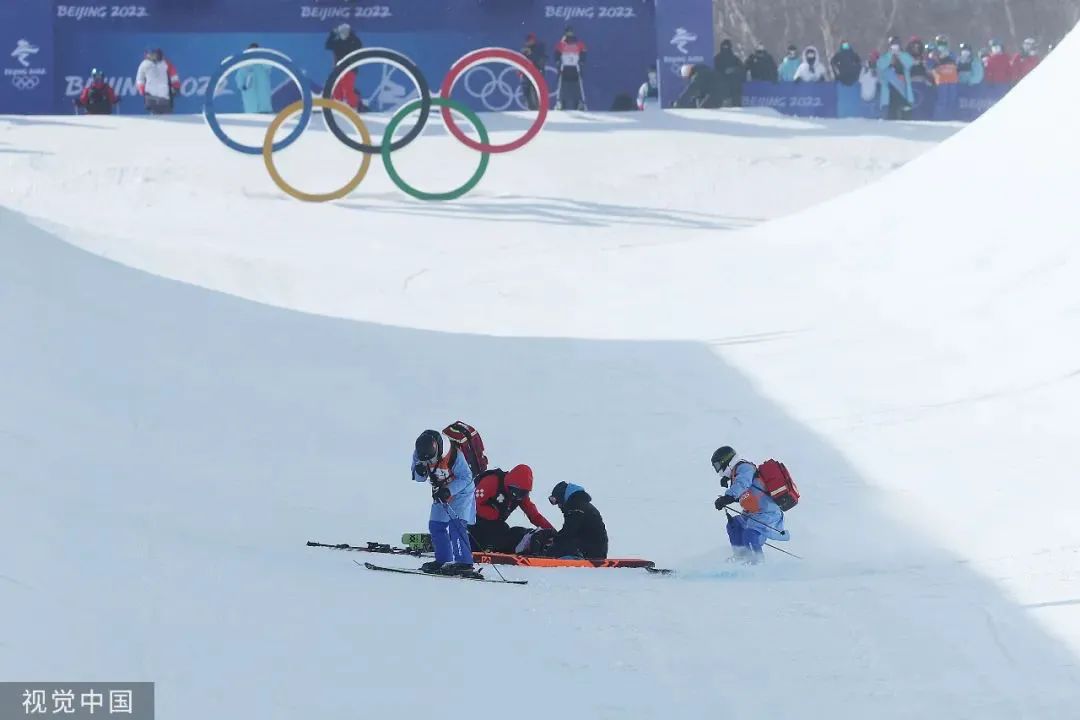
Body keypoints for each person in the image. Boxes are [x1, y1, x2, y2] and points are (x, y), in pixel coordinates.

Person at [411, 429, 478, 577]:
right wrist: (420, 471)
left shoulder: (453, 454)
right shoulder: (418, 454)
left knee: (456, 526)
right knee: (436, 525)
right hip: (440, 491)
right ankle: (443, 560)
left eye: (432, 460)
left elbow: (467, 478)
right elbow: (419, 478)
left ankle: (464, 563)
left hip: (461, 492)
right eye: (426, 461)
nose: (430, 463)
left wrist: (449, 490)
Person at [710, 446, 789, 565]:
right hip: (753, 513)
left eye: (717, 466)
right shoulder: (736, 472)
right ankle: (741, 556)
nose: (718, 470)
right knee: (734, 525)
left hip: (768, 513)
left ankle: (757, 563)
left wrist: (728, 497)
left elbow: (743, 483)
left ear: (725, 460)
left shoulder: (744, 467)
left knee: (750, 533)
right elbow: (747, 493)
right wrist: (728, 483)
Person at [470, 464, 554, 552]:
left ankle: (532, 538)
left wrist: (551, 530)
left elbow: (534, 515)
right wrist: (495, 514)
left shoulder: (520, 495)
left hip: (497, 524)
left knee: (504, 530)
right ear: (512, 486)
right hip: (475, 522)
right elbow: (473, 504)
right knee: (499, 532)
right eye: (518, 493)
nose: (519, 497)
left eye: (524, 493)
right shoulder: (491, 482)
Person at [544, 481, 608, 559]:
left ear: (562, 497)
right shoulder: (578, 504)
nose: (558, 505)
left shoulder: (576, 505)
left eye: (557, 501)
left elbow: (569, 530)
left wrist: (554, 541)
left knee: (555, 549)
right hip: (596, 549)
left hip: (592, 551)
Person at [325, 23, 363, 110]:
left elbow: (359, 45)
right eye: (341, 32)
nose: (343, 34)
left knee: (347, 89)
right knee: (336, 89)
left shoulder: (352, 41)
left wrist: (352, 35)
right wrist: (332, 34)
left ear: (349, 32)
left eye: (346, 32)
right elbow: (328, 45)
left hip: (350, 68)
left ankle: (355, 106)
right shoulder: (337, 42)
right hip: (338, 69)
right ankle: (338, 107)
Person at [877, 37, 915, 120]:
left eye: (896, 44)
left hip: (903, 92)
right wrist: (890, 55)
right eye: (893, 44)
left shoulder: (904, 55)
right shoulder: (885, 57)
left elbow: (910, 63)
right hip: (889, 92)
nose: (895, 46)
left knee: (906, 116)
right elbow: (880, 65)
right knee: (890, 117)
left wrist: (899, 54)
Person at [554, 25, 587, 110]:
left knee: (578, 85)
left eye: (571, 32)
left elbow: (583, 53)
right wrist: (558, 61)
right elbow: (557, 53)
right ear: (565, 33)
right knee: (562, 85)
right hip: (564, 67)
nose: (569, 33)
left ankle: (580, 103)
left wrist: (582, 60)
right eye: (568, 32)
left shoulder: (579, 44)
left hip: (575, 67)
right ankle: (560, 102)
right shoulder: (561, 44)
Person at [235, 43, 272, 114]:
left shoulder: (263, 65)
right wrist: (244, 85)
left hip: (265, 107)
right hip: (251, 107)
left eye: (256, 52)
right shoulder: (244, 67)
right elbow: (240, 82)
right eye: (252, 52)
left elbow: (269, 66)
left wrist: (262, 58)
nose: (254, 54)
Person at [136, 49, 174, 115]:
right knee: (156, 118)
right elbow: (140, 79)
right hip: (152, 97)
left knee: (166, 118)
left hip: (164, 97)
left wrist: (175, 86)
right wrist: (141, 89)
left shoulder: (165, 63)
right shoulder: (145, 64)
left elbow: (173, 75)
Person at [712, 39, 744, 106]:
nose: (725, 48)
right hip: (721, 83)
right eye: (724, 47)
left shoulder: (735, 58)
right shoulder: (717, 58)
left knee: (736, 101)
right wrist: (722, 73)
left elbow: (741, 68)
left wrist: (733, 69)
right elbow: (714, 70)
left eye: (727, 47)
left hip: (734, 83)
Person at [521, 32, 548, 110]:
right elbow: (522, 60)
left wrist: (531, 54)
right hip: (527, 72)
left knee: (537, 89)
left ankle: (539, 105)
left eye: (531, 40)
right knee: (526, 87)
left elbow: (540, 60)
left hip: (537, 71)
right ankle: (529, 104)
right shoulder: (525, 49)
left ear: (534, 40)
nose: (529, 42)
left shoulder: (539, 47)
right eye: (528, 41)